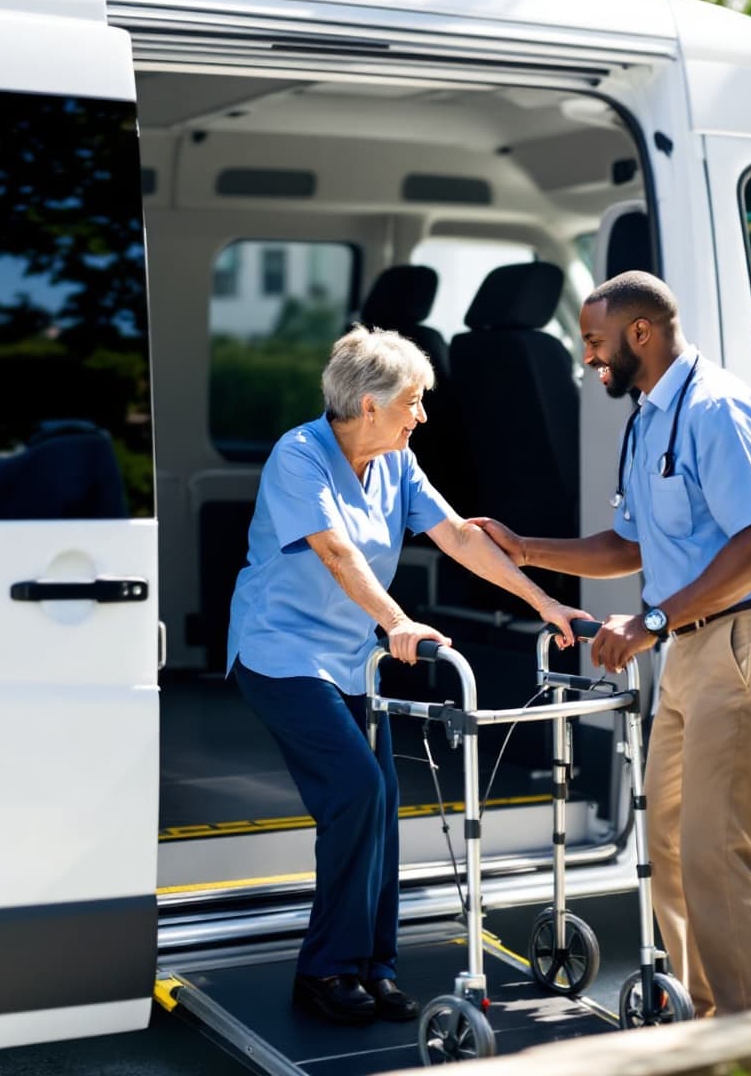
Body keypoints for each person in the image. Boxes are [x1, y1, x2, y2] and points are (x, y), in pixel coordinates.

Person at [227, 325, 591, 1027]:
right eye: (413, 402)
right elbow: (336, 551)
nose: (421, 416)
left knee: (382, 801)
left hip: (350, 657)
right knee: (356, 789)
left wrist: (545, 604)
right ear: (369, 405)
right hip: (280, 653)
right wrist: (397, 621)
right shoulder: (298, 455)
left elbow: (458, 536)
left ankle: (375, 966)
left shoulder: (396, 460)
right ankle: (325, 970)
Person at [472, 271, 751, 1017]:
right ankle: (705, 1022)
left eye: (594, 341)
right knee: (669, 846)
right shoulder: (648, 418)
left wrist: (651, 624)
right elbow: (629, 545)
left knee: (718, 854)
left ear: (640, 333)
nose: (588, 358)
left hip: (746, 643)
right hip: (690, 651)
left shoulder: (717, 409)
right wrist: (524, 549)